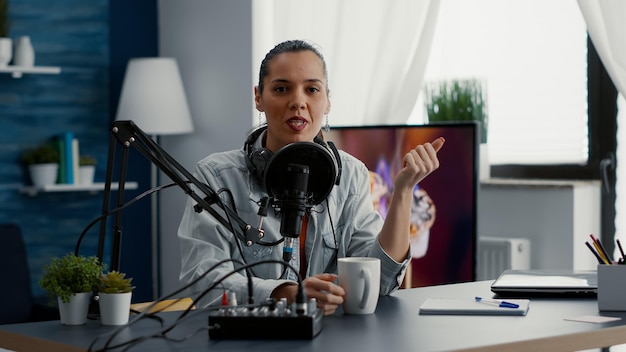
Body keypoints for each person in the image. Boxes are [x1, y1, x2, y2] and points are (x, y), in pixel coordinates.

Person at [177, 39, 445, 316]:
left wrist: (403, 191)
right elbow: (203, 281)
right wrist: (284, 293)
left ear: (327, 101)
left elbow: (380, 282)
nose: (298, 102)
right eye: (281, 89)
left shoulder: (351, 173)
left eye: (312, 89)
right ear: (258, 97)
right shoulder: (216, 175)